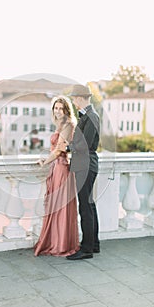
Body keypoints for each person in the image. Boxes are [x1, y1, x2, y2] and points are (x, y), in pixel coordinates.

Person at [58, 84, 100, 260]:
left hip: (85, 165)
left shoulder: (91, 117)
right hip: (85, 165)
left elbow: (86, 144)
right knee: (89, 205)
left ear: (81, 98)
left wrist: (68, 147)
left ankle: (86, 249)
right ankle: (94, 244)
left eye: (75, 99)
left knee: (85, 207)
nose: (74, 102)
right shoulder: (89, 116)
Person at [34, 95, 80, 257]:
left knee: (61, 207)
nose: (58, 111)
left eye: (61, 108)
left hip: (62, 168)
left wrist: (45, 162)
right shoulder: (60, 125)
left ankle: (61, 245)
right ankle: (55, 241)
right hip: (57, 167)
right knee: (56, 206)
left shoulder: (68, 125)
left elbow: (60, 150)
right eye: (56, 108)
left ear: (67, 110)